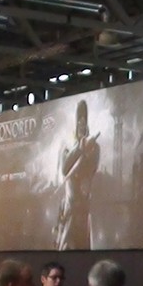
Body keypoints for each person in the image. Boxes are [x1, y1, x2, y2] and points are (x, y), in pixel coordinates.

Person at [56, 99, 101, 250]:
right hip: (70, 206)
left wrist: (86, 148)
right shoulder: (68, 147)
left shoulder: (94, 147)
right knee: (66, 245)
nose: (82, 123)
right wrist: (79, 148)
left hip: (84, 206)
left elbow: (92, 168)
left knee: (83, 245)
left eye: (84, 120)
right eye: (79, 120)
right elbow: (65, 169)